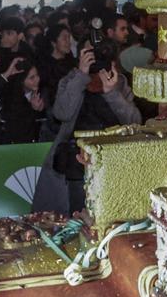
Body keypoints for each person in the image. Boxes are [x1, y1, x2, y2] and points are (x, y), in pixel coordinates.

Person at [41, 46, 139, 212]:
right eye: (89, 54)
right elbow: (61, 113)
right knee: (78, 212)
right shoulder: (71, 80)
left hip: (113, 161)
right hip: (75, 162)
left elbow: (134, 122)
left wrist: (112, 93)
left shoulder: (119, 82)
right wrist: (81, 75)